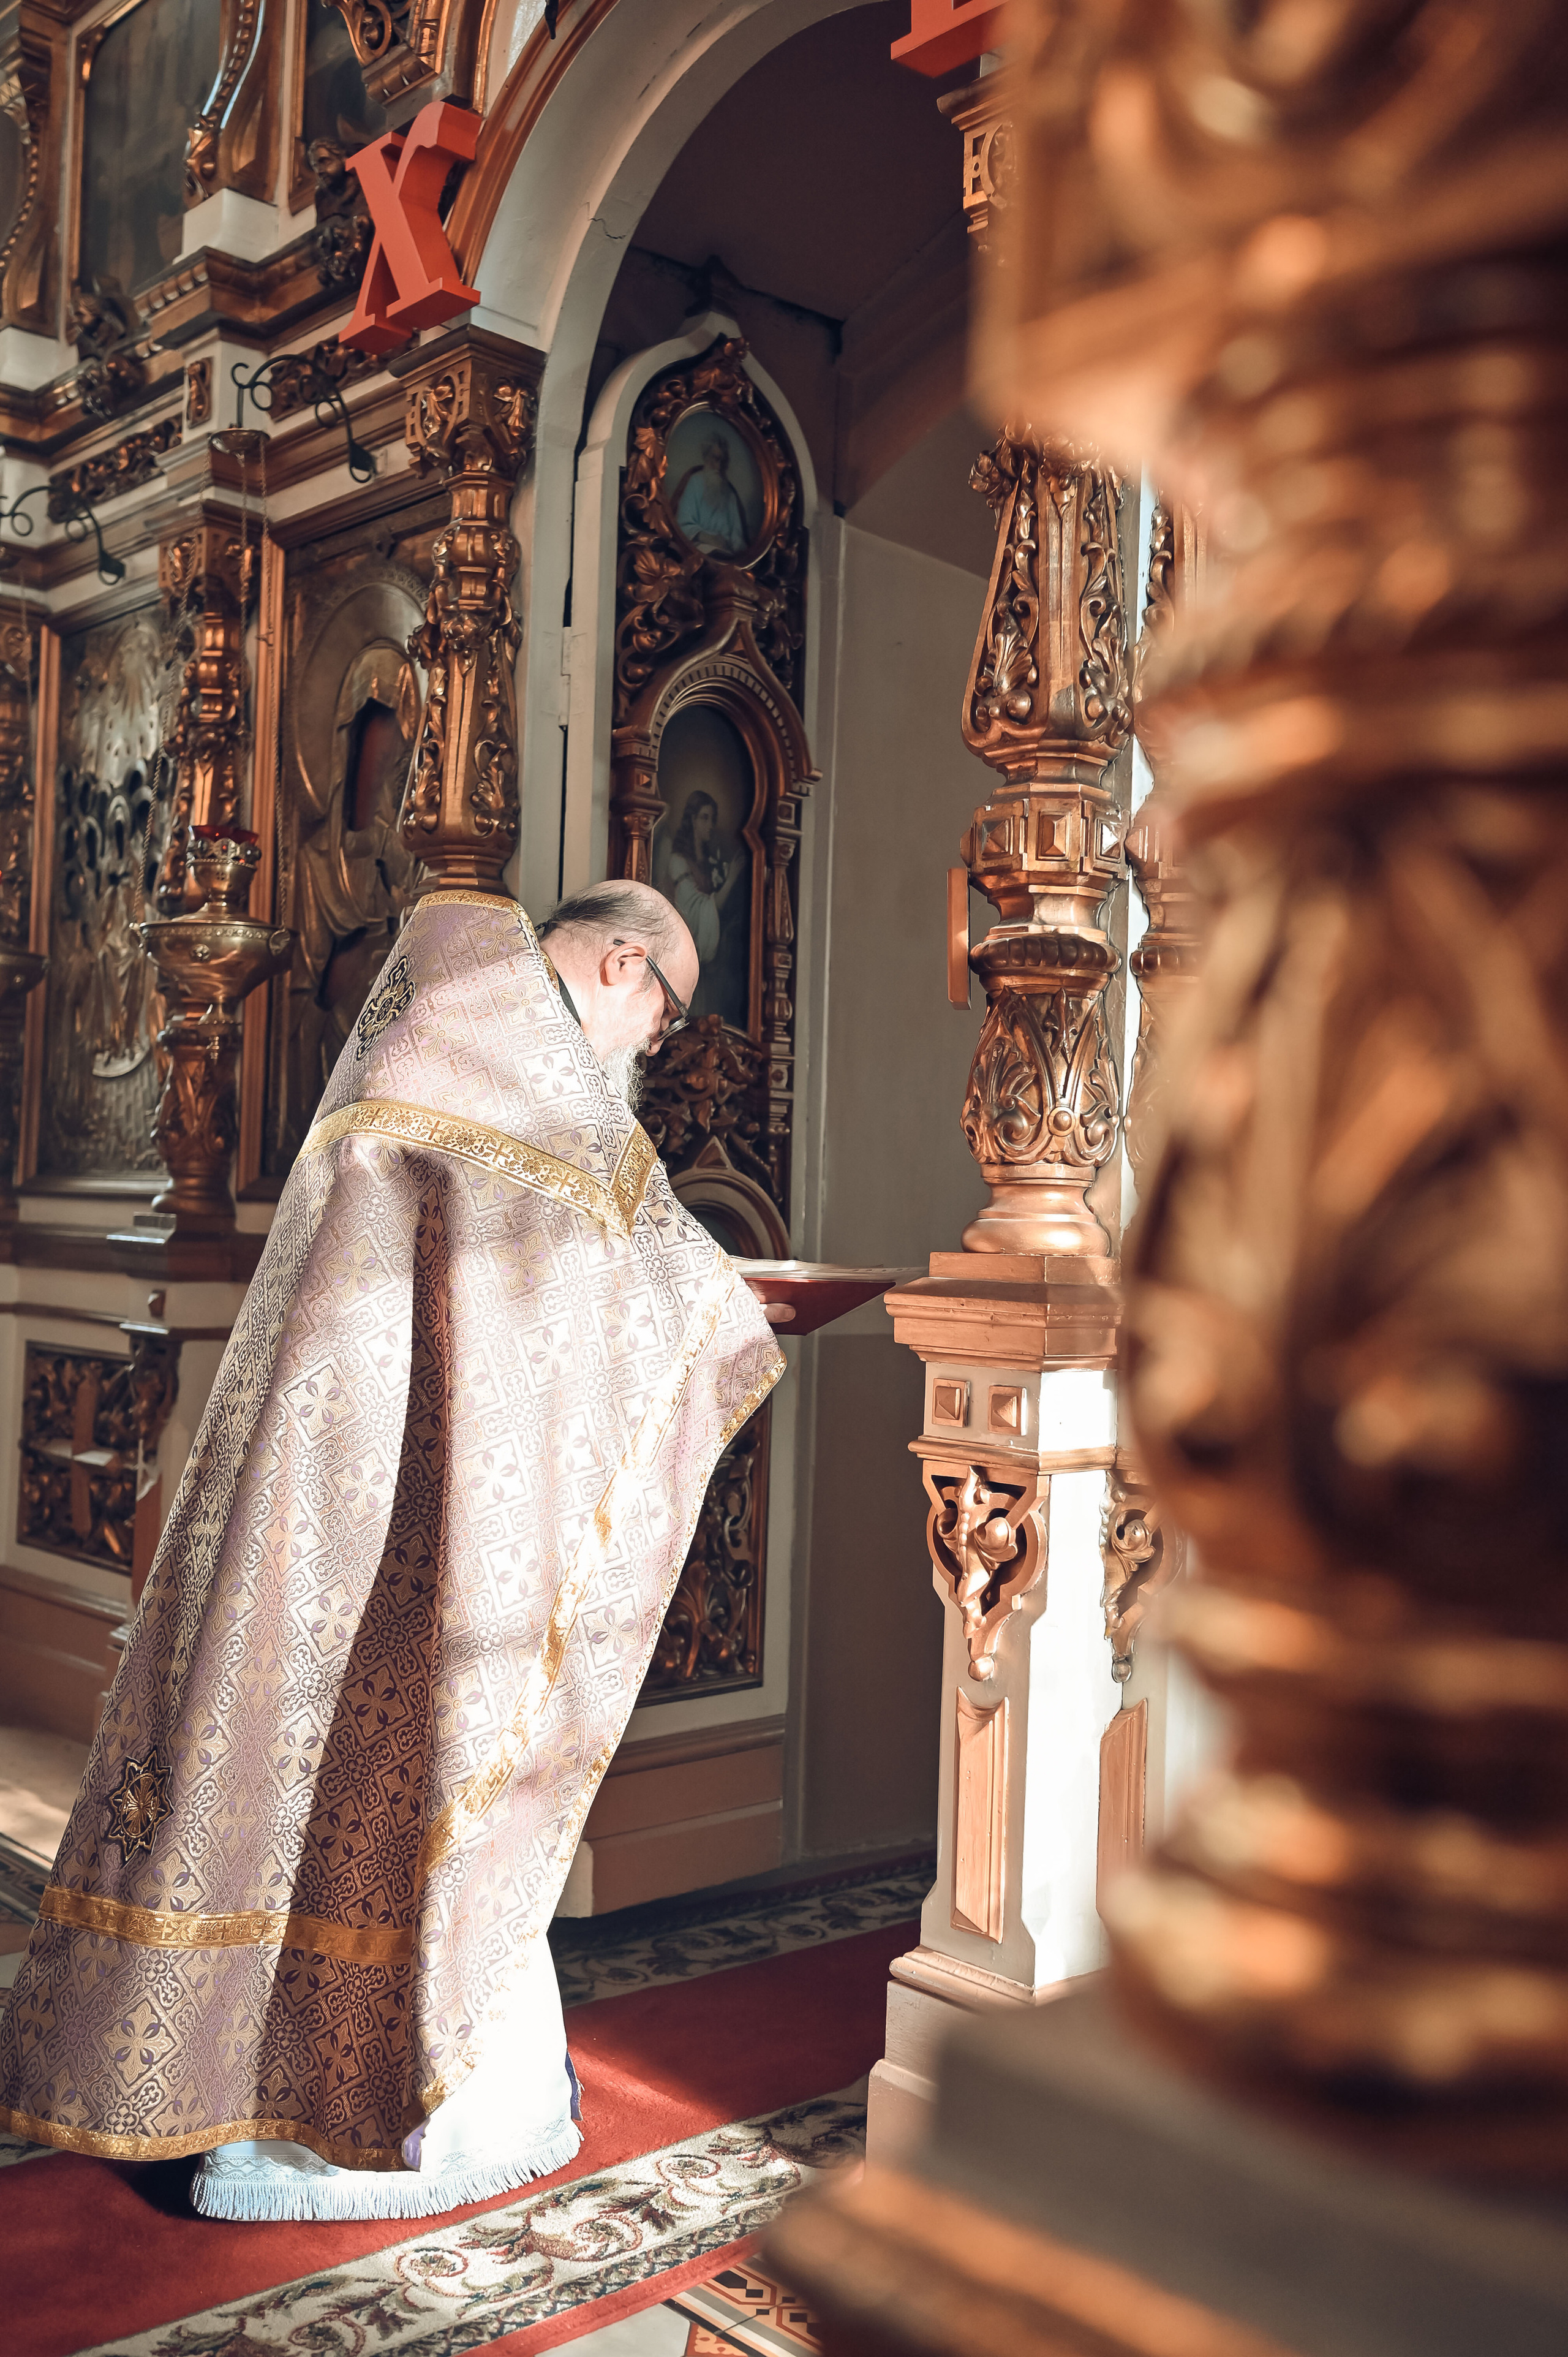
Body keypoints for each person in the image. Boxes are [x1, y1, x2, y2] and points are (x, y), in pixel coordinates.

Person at [0, 879, 785, 2219]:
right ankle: (338, 2119)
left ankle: (272, 2089)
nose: (659, 1040)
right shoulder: (509, 1051)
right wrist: (726, 1324)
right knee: (385, 1757)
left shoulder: (450, 1017)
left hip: (377, 1461)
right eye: (667, 1005)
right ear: (613, 960)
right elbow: (583, 1279)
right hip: (410, 1477)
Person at [662, 790, 748, 1021]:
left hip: (714, 969)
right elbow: (699, 910)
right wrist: (731, 880)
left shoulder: (711, 865)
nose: (710, 825)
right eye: (705, 817)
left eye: (713, 819)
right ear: (692, 819)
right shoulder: (678, 862)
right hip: (690, 962)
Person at [674, 433, 748, 554]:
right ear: (706, 457)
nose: (719, 467)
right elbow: (683, 523)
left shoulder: (730, 494)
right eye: (716, 459)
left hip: (727, 554)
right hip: (700, 549)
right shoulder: (695, 482)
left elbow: (737, 538)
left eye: (723, 461)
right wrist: (707, 537)